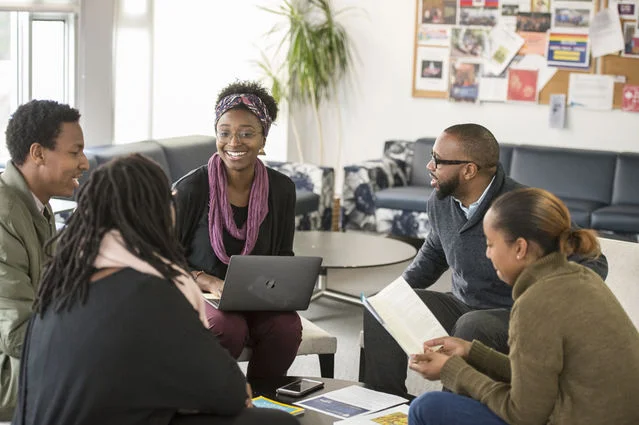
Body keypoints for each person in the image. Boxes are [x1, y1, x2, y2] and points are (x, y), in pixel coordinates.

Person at [12, 154, 298, 425]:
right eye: (170, 201)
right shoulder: (155, 291)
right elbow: (230, 393)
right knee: (279, 422)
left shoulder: (60, 284)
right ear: (157, 211)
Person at [362, 123, 608, 398]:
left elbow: (594, 262)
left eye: (438, 160)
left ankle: (447, 412)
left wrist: (546, 308)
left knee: (472, 324)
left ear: (469, 170)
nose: (429, 166)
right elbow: (433, 253)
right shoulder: (441, 201)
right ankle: (385, 405)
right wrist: (394, 295)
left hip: (513, 315)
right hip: (462, 304)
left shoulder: (523, 207)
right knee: (382, 305)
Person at [408, 188, 639, 425]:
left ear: (520, 248)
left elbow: (523, 415)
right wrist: (472, 353)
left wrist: (452, 370)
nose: (487, 254)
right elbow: (536, 379)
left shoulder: (536, 302)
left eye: (490, 244)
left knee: (427, 407)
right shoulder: (580, 277)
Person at [173, 81, 301, 378]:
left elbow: (283, 254)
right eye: (225, 132)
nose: (234, 143)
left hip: (258, 295)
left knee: (286, 327)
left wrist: (279, 290)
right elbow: (164, 259)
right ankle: (211, 402)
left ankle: (259, 400)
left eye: (246, 133)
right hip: (200, 294)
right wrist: (209, 282)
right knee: (227, 328)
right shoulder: (191, 188)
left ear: (263, 138)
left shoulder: (281, 189)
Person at [0, 100, 89, 420]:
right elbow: (18, 335)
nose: (85, 163)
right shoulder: (4, 215)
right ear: (38, 153)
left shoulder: (36, 204)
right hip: (9, 371)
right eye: (74, 152)